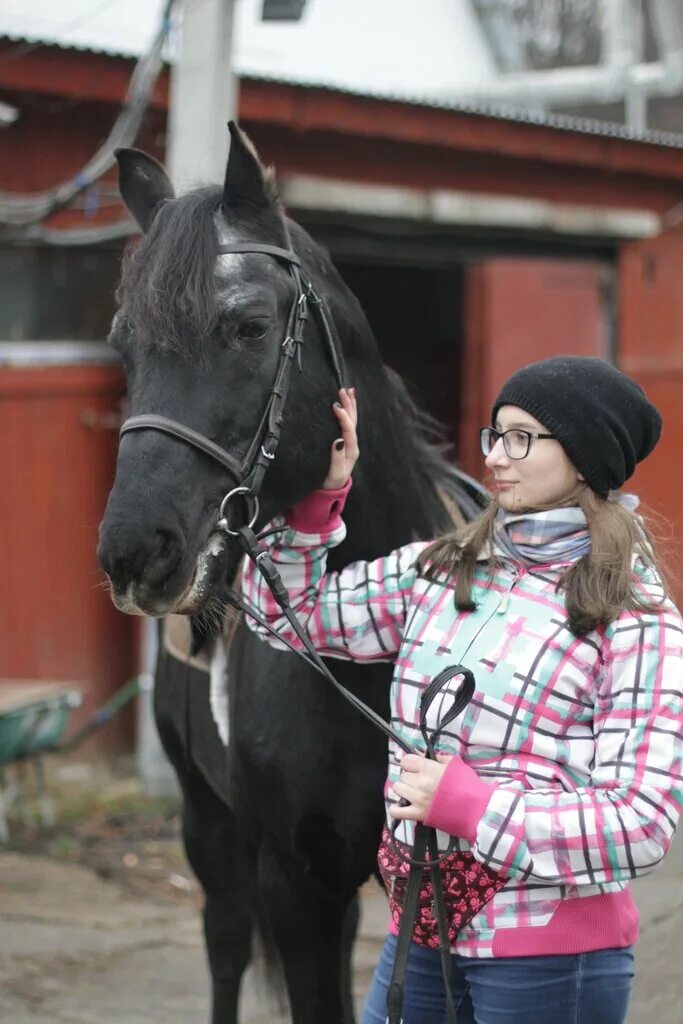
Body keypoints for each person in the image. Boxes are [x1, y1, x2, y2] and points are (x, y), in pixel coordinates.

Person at [242, 356, 683, 1024]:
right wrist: (317, 502)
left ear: (586, 456)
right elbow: (283, 617)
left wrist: (470, 807)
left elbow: (642, 822)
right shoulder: (443, 571)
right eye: (494, 434)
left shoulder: (635, 620)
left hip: (548, 961)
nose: (496, 458)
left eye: (522, 437)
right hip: (420, 932)